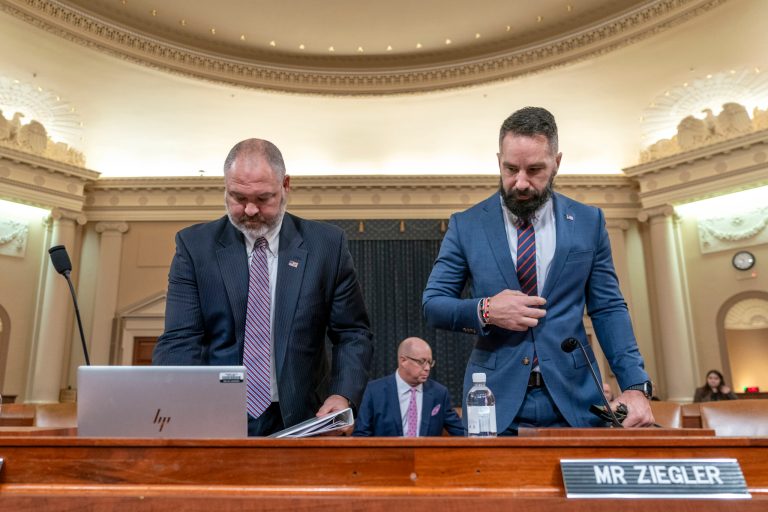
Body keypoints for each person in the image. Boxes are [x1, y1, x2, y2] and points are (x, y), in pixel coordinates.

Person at [422, 107, 654, 434]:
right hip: (493, 400)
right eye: (510, 168)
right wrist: (486, 310)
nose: (520, 182)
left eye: (534, 170)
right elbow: (433, 304)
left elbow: (608, 308)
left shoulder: (589, 222)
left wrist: (635, 385)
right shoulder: (467, 224)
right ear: (498, 160)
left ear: (557, 163)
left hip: (577, 399)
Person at [153, 138, 373, 436]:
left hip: (303, 418)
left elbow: (352, 333)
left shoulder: (326, 245)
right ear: (225, 186)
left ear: (285, 185)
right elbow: (180, 339)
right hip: (214, 417)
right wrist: (178, 407)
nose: (251, 210)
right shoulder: (195, 247)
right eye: (238, 198)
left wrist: (342, 395)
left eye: (263, 198)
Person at [353, 337, 464, 437]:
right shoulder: (374, 391)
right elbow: (361, 435)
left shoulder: (439, 393)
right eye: (422, 361)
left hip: (426, 458)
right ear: (403, 361)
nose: (427, 368)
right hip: (387, 457)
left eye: (429, 362)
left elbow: (461, 432)